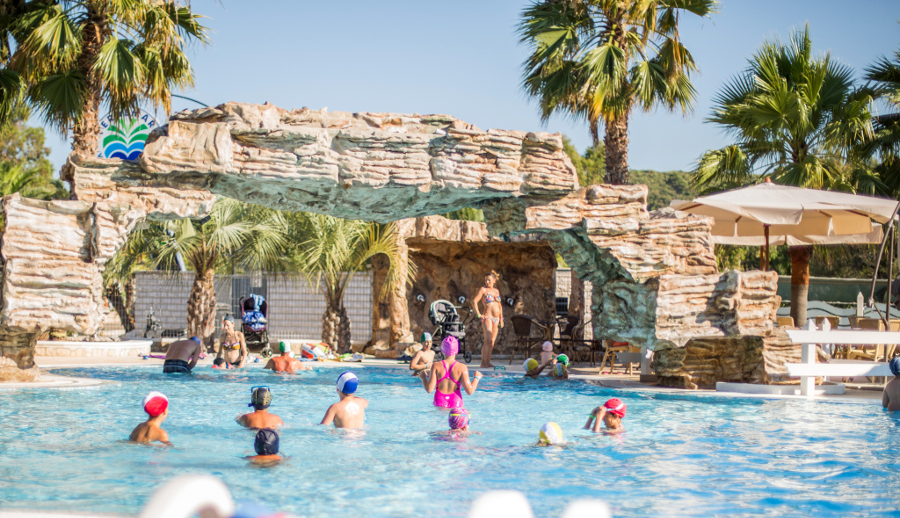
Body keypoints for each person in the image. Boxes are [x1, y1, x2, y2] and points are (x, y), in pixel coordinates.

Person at [425, 336, 483, 408]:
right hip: (456, 400)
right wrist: (476, 378)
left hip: (439, 400)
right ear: (456, 351)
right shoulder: (462, 367)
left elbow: (429, 389)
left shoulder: (436, 366)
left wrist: (423, 378)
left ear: (442, 350)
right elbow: (470, 391)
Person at [472, 271, 504, 369]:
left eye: (489, 280)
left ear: (494, 280)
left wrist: (501, 319)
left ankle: (488, 362)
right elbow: (474, 301)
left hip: (496, 318)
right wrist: (478, 314)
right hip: (488, 317)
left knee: (492, 342)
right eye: (486, 280)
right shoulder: (483, 290)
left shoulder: (496, 291)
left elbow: (499, 306)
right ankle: (483, 363)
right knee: (487, 340)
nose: (487, 282)